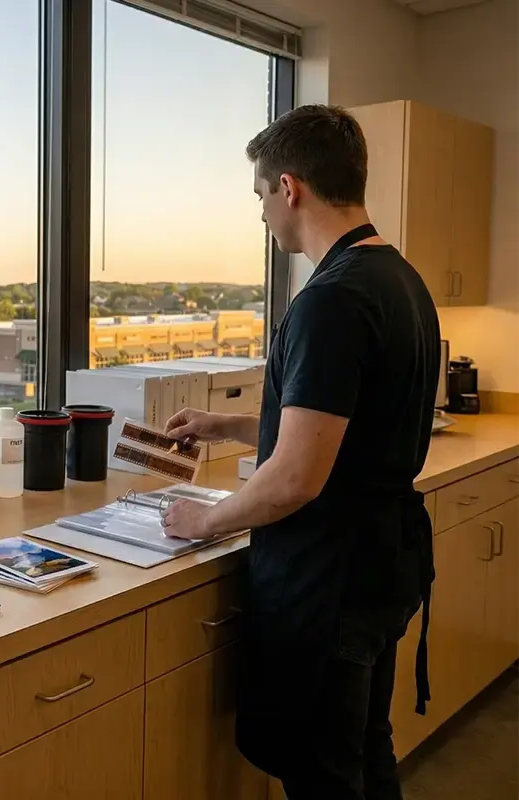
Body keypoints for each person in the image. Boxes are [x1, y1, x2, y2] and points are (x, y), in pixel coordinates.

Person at [162, 104, 440, 800]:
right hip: (385, 563)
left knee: (324, 777)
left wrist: (205, 520)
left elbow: (294, 479)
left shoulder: (331, 301)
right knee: (367, 757)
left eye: (260, 195)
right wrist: (225, 428)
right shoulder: (400, 280)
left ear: (290, 188)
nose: (261, 214)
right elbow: (343, 427)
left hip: (330, 584)